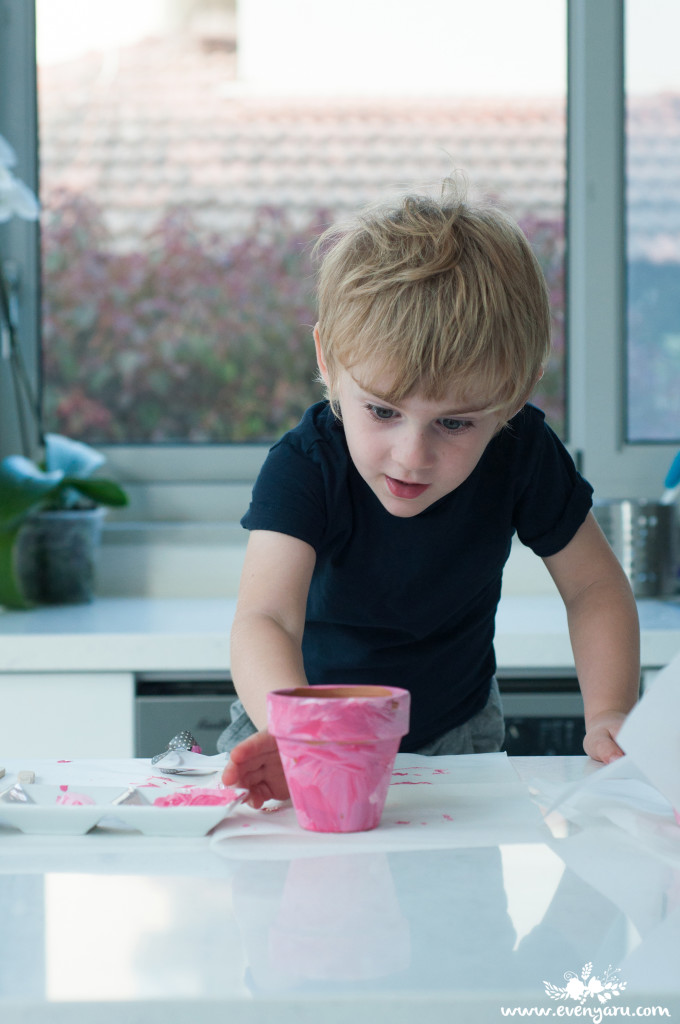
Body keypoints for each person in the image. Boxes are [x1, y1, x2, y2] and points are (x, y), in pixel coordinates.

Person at [219, 178, 640, 807]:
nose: (413, 456)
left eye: (455, 423)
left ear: (513, 397)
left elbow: (594, 587)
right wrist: (300, 734)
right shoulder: (306, 465)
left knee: (457, 901)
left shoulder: (523, 451)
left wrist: (610, 712)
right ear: (330, 364)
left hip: (457, 732)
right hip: (296, 732)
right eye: (383, 412)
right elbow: (266, 618)